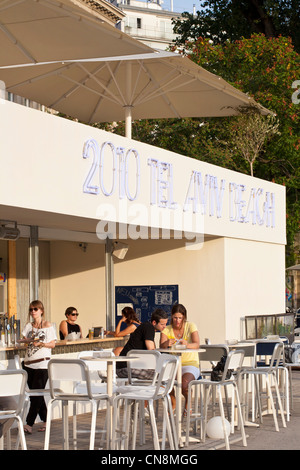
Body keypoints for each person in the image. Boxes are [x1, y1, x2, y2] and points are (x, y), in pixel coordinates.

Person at [19, 300, 56, 434]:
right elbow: (25, 342)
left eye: (35, 309)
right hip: (28, 363)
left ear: (41, 310)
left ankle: (29, 424)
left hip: (42, 363)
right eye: (31, 309)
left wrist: (41, 344)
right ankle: (46, 420)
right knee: (37, 394)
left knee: (36, 394)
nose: (33, 312)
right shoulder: (28, 326)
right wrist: (24, 342)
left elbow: (52, 344)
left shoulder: (47, 325)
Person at [160, 303, 200, 415]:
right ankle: (173, 401)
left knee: (185, 385)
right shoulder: (167, 329)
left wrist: (186, 344)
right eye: (175, 318)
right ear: (171, 317)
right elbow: (162, 345)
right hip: (174, 364)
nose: (177, 321)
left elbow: (197, 344)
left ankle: (188, 402)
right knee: (166, 381)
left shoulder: (191, 326)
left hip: (190, 363)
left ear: (184, 318)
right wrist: (167, 343)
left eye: (180, 318)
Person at [116, 308, 168, 379]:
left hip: (128, 366)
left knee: (162, 373)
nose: (165, 326)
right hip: (124, 368)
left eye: (165, 324)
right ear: (154, 323)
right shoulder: (149, 328)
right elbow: (152, 352)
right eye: (162, 324)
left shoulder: (146, 327)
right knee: (160, 375)